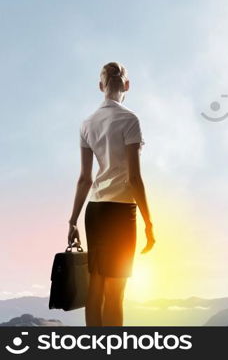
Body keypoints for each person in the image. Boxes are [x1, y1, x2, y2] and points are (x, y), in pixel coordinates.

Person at [67, 62, 155, 326]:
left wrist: (72, 220)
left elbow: (85, 178)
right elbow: (134, 177)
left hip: (94, 210)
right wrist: (149, 222)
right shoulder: (130, 120)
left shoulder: (87, 124)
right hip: (120, 211)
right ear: (127, 85)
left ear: (101, 86)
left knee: (95, 286)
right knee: (115, 294)